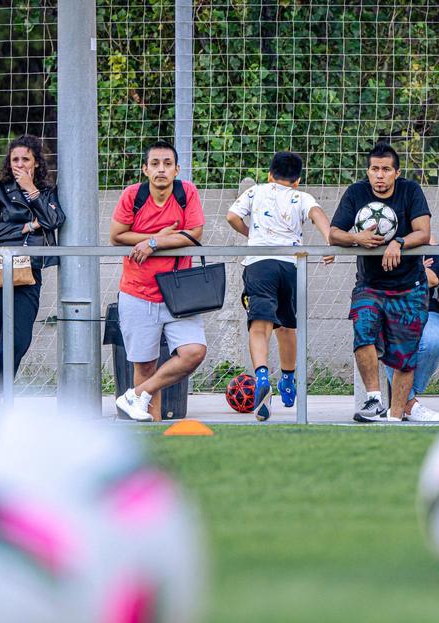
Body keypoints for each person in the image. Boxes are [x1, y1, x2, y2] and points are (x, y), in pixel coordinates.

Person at [0, 135, 65, 415]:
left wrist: (31, 190)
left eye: (25, 159)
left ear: (36, 162)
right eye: (15, 159)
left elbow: (54, 221)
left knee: (19, 338)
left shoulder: (47, 191)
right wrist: (29, 226)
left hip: (29, 269)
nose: (19, 164)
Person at [225, 151, 334, 421]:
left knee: (259, 326)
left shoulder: (256, 191)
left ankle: (262, 375)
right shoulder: (302, 197)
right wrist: (330, 240)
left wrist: (251, 234)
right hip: (289, 265)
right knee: (287, 327)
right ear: (297, 180)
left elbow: (231, 217)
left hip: (259, 263)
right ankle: (287, 379)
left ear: (270, 175)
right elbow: (317, 214)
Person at [329, 142, 432, 423]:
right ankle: (374, 400)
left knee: (404, 355)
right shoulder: (356, 192)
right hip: (370, 285)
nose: (380, 175)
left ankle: (396, 416)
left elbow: (423, 233)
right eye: (375, 169)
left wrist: (399, 241)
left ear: (396, 173)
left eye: (386, 169)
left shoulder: (411, 191)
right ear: (368, 171)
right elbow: (334, 233)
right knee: (363, 331)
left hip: (409, 285)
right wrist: (356, 238)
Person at [109, 141, 207, 422]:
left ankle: (133, 395)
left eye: (167, 163)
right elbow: (116, 235)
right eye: (154, 164)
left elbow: (194, 233)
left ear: (177, 169)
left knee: (193, 352)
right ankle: (150, 425)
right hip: (137, 292)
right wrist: (155, 238)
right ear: (145, 169)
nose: (161, 169)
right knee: (146, 364)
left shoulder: (187, 193)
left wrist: (154, 242)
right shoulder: (133, 196)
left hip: (179, 293)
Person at [382, 239, 439, 422]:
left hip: (428, 308)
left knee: (434, 341)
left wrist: (401, 270)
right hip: (393, 310)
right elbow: (382, 280)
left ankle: (404, 399)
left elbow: (433, 279)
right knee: (387, 337)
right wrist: (418, 269)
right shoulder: (383, 242)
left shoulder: (428, 242)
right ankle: (410, 405)